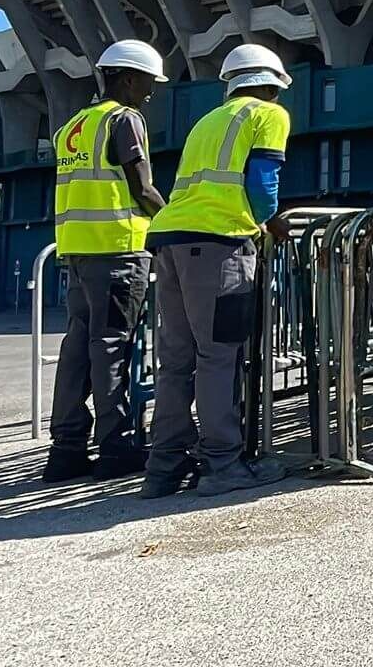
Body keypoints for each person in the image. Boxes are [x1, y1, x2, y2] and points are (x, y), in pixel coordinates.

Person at [140, 43, 296, 499]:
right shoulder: (267, 114)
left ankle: (163, 468)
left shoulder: (207, 120)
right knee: (218, 355)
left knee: (177, 360)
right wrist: (270, 221)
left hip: (170, 238)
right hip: (219, 243)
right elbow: (263, 182)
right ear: (272, 83)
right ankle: (222, 464)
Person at [42, 40, 168, 483]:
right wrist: (171, 220)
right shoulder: (124, 119)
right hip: (118, 249)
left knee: (77, 348)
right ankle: (116, 446)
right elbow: (141, 187)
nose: (150, 93)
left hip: (77, 251)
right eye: (148, 83)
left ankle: (66, 450)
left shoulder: (73, 125)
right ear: (128, 78)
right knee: (112, 347)